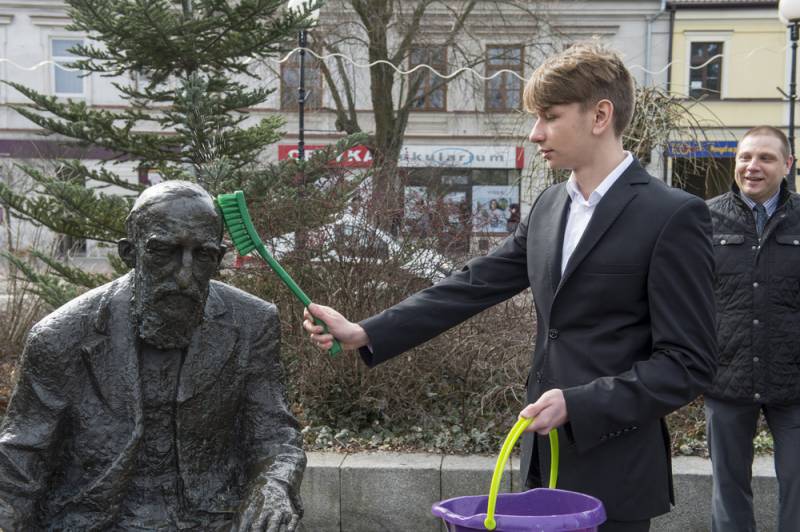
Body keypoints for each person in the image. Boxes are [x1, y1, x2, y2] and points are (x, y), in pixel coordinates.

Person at [304, 42, 716, 532]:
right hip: (542, 463)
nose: (535, 132)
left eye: (550, 116)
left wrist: (580, 403)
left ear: (600, 115)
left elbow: (687, 364)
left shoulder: (672, 215)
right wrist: (365, 332)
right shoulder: (548, 206)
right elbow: (470, 285)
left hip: (616, 476)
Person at [0, 181, 305, 531]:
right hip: (98, 522)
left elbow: (274, 434)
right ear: (130, 252)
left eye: (203, 256)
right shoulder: (61, 335)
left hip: (215, 521)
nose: (185, 276)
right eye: (164, 252)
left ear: (218, 258)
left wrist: (274, 486)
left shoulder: (253, 322)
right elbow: (20, 460)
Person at [704, 126, 800, 532]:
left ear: (788, 164)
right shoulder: (704, 218)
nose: (752, 166)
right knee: (728, 492)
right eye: (745, 157)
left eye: (765, 158)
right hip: (727, 376)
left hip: (795, 381)